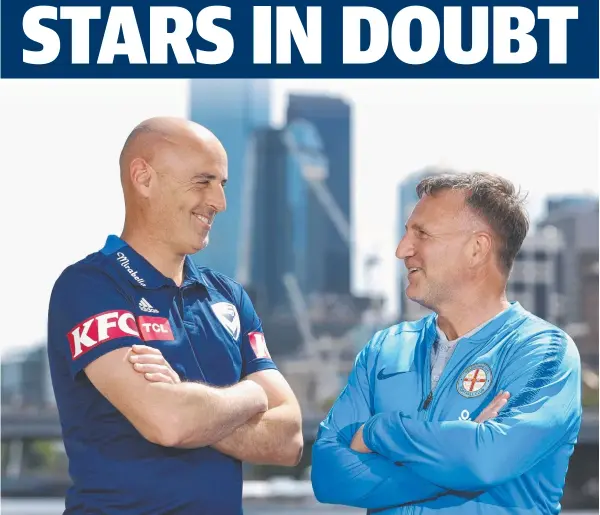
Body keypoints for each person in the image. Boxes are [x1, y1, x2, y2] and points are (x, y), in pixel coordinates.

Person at [47, 117, 303, 515]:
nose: (219, 202)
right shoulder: (90, 287)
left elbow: (289, 440)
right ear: (144, 178)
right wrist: (252, 395)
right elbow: (168, 423)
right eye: (203, 181)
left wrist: (185, 400)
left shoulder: (230, 298)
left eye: (222, 184)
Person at [311, 172, 582, 514]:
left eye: (421, 234)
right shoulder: (385, 349)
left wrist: (381, 430)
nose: (401, 250)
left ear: (477, 249)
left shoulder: (544, 352)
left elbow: (486, 460)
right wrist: (457, 459)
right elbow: (329, 476)